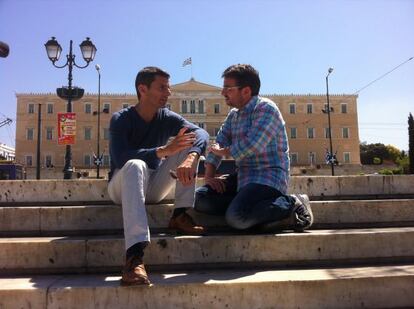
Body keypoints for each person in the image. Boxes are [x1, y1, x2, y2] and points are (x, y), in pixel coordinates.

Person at [108, 66, 209, 286]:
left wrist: (192, 156)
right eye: (162, 87)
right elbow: (120, 157)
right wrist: (162, 151)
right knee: (136, 164)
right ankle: (134, 257)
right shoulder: (121, 119)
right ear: (142, 89)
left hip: (153, 186)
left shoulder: (166, 117)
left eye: (168, 88)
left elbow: (202, 133)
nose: (169, 93)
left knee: (188, 142)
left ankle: (180, 214)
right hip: (122, 185)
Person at [194, 64, 313, 233]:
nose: (223, 93)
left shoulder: (266, 109)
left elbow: (252, 146)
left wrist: (222, 151)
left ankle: (293, 202)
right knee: (200, 199)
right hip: (243, 177)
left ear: (246, 91)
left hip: (268, 177)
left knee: (236, 218)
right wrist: (209, 176)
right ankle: (251, 207)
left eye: (228, 88)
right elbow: (219, 141)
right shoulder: (233, 115)